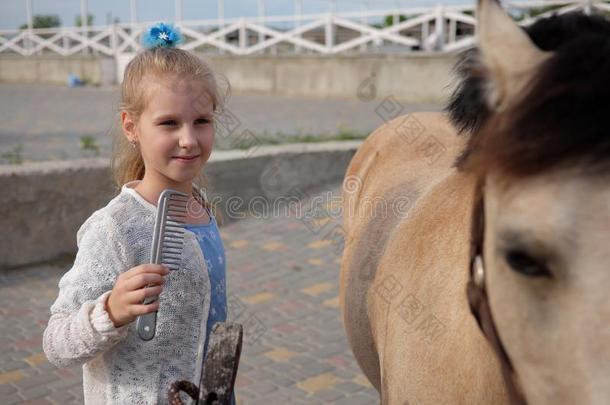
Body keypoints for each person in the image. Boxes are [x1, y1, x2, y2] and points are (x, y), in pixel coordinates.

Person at [43, 22, 232, 404]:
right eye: (168, 123)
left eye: (202, 122)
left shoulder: (200, 206)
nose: (188, 139)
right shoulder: (115, 229)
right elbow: (56, 343)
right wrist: (111, 310)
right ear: (131, 126)